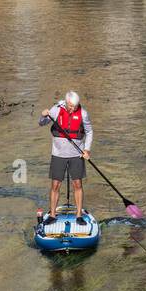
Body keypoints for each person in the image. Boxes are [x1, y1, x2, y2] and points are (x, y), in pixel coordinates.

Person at [38, 90, 93, 226]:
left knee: (77, 184)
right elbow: (42, 123)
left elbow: (89, 131)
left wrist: (86, 149)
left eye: (75, 106)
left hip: (76, 154)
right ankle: (52, 214)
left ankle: (79, 215)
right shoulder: (56, 110)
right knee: (55, 185)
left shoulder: (83, 113)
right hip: (58, 154)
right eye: (70, 106)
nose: (73, 108)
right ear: (66, 102)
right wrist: (43, 116)